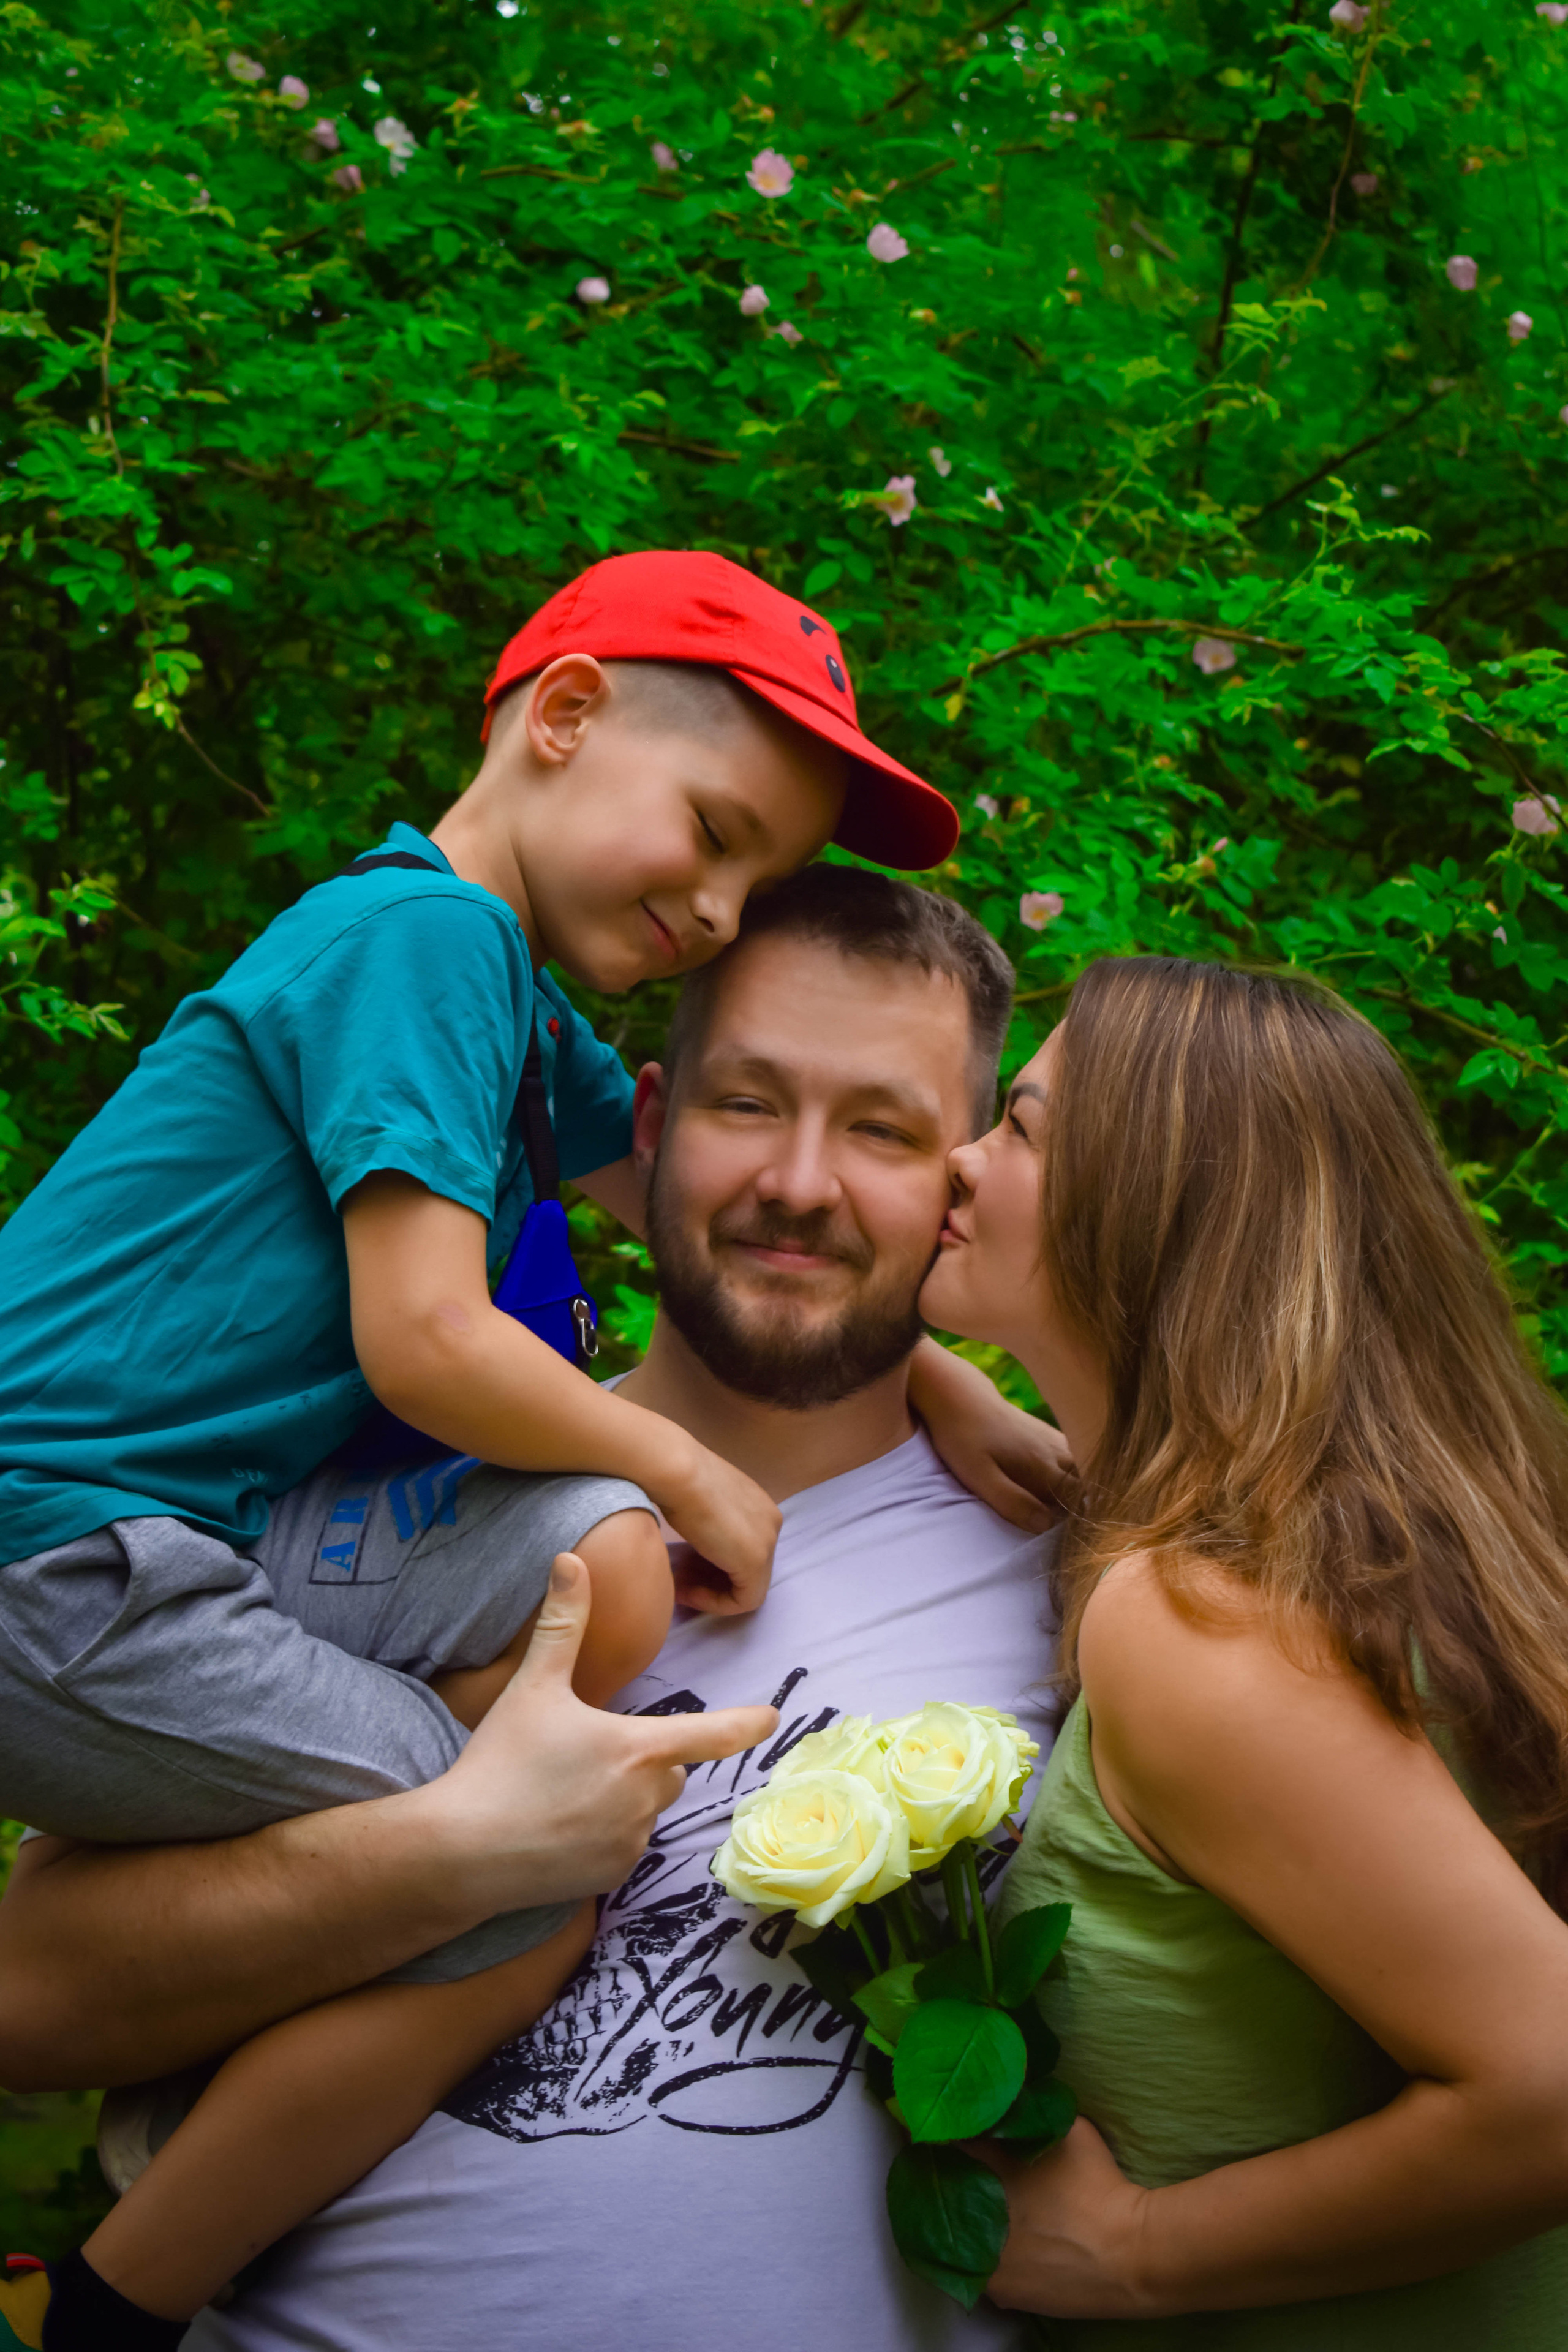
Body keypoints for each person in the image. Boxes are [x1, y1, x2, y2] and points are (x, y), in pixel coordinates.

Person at [0, 555, 1054, 2352]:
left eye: (750, 886)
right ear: (560, 717)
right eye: (710, 835)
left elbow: (739, 1227)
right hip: (74, 1554)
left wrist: (951, 1387)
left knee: (607, 1568)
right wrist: (693, 1474)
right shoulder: (424, 945)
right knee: (518, 1865)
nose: (713, 909)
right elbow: (423, 1333)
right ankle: (111, 2300)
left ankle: (303, 2021)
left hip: (203, 1542)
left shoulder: (501, 1008)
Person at [919, 954, 1568, 2348]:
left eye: (1019, 1128)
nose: (958, 1159)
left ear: (1154, 1209)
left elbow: (1549, 2091)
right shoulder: (1356, 1557)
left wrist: (1135, 2255)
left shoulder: (1195, 1617)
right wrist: (927, 1374)